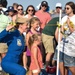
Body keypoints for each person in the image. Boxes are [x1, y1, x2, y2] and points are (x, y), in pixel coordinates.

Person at [53, 1, 75, 75]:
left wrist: (69, 25)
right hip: (63, 44)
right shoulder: (64, 18)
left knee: (70, 65)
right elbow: (61, 31)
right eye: (65, 8)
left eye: (68, 8)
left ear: (72, 9)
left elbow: (74, 32)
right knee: (61, 63)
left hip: (71, 46)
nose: (66, 10)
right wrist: (59, 42)